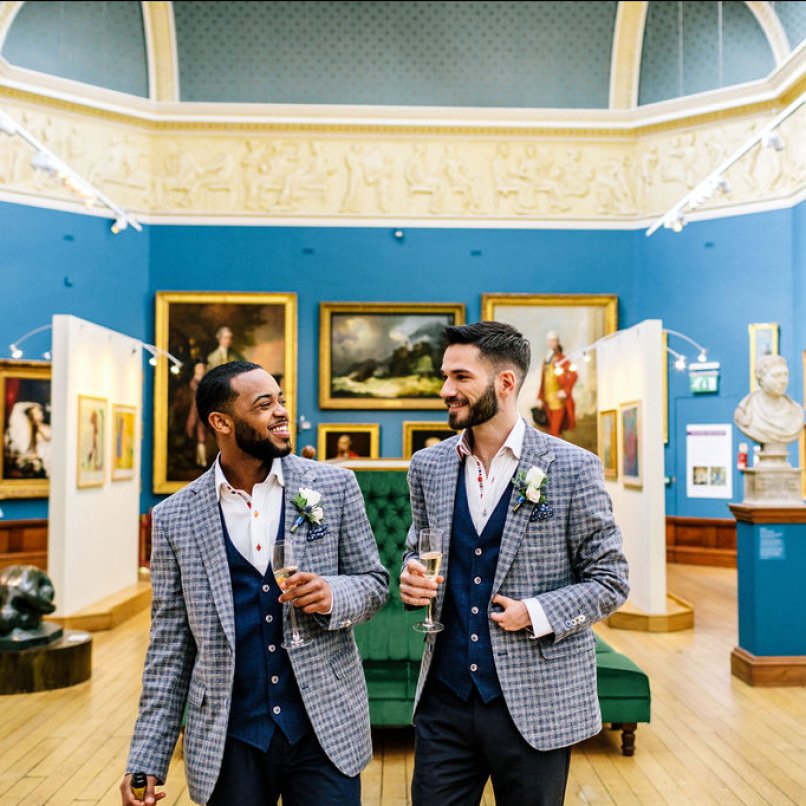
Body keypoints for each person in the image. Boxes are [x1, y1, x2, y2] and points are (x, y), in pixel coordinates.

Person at [122, 361, 389, 806]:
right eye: (265, 405)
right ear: (221, 422)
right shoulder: (174, 518)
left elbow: (374, 584)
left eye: (281, 399)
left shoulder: (336, 486)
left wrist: (331, 595)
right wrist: (147, 755)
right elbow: (169, 645)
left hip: (325, 731)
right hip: (230, 738)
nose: (282, 412)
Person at [400, 321, 629, 806]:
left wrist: (536, 613)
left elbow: (611, 581)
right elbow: (417, 548)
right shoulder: (428, 466)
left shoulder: (573, 466)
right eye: (445, 377)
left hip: (536, 701)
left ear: (505, 383)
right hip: (446, 698)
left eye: (461, 377)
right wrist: (412, 577)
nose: (446, 390)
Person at [734, 354, 803, 447]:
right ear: (761, 379)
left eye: (786, 375)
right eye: (776, 376)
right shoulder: (746, 410)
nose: (783, 381)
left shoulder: (796, 411)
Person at [534, 330, 577, 437]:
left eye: (553, 341)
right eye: (550, 341)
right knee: (549, 430)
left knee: (555, 430)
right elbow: (543, 381)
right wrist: (540, 397)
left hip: (559, 401)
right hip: (547, 401)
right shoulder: (546, 360)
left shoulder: (563, 360)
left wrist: (565, 391)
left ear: (557, 342)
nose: (551, 343)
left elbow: (573, 375)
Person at [184, 362, 209, 467]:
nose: (200, 370)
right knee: (199, 437)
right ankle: (201, 461)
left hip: (202, 410)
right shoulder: (195, 382)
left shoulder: (204, 381)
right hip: (196, 411)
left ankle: (201, 460)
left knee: (202, 437)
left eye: (202, 368)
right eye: (199, 368)